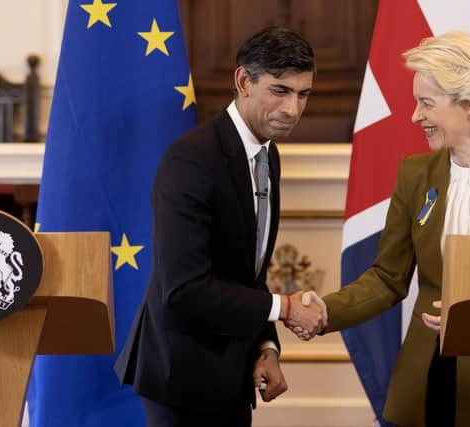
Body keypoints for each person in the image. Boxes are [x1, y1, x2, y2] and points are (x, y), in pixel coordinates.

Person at [293, 32, 470, 426]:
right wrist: (325, 311)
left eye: (426, 103)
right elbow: (388, 278)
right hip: (428, 377)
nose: (415, 116)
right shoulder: (415, 174)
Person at [114, 26, 326, 427]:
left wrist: (266, 346)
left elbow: (249, 272)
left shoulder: (268, 155)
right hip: (181, 377)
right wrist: (286, 309)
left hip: (231, 371)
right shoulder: (191, 160)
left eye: (303, 94)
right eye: (280, 91)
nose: (293, 109)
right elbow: (185, 288)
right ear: (243, 81)